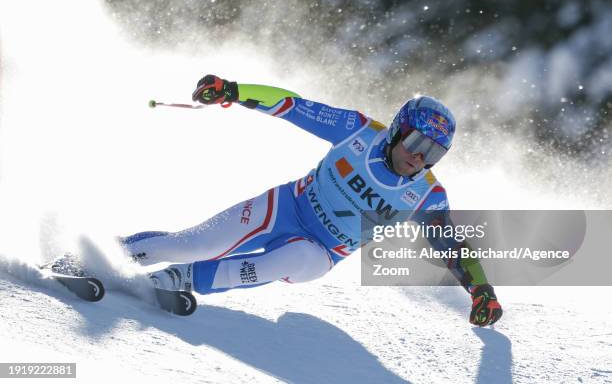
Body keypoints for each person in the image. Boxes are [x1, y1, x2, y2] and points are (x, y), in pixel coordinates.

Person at [120, 75, 502, 326]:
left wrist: (482, 291)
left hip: (321, 250)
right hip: (285, 206)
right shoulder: (358, 130)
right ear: (398, 130)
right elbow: (292, 105)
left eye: (433, 153)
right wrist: (234, 91)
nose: (419, 157)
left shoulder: (427, 194)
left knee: (291, 259)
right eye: (417, 142)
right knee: (196, 243)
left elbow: (450, 245)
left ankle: (177, 280)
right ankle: (109, 255)